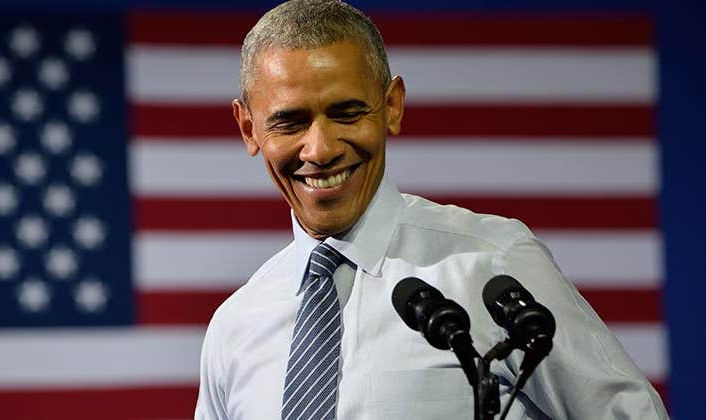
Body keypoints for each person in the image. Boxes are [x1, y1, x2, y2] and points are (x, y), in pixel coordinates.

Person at [194, 1, 668, 419]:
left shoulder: (490, 266)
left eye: (346, 113)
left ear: (392, 106)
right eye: (290, 122)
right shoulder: (235, 326)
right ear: (248, 128)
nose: (319, 149)